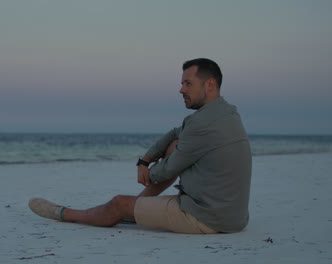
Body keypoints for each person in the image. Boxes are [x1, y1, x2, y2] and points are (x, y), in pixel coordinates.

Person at [29, 58, 252, 234]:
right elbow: (176, 134)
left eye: (188, 83)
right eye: (182, 83)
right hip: (233, 216)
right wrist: (144, 160)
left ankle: (66, 213)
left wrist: (148, 173)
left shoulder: (203, 123)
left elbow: (169, 169)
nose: (181, 90)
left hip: (206, 218)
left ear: (210, 84)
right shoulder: (225, 113)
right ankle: (141, 205)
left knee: (118, 204)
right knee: (175, 144)